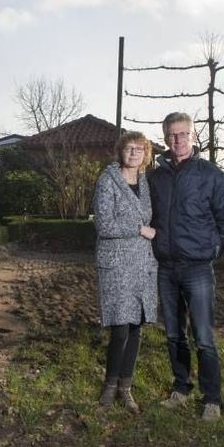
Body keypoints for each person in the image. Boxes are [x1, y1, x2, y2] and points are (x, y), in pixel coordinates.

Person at [148, 112, 224, 422]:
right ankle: (181, 388)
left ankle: (211, 398)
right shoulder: (155, 177)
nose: (178, 140)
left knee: (204, 337)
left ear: (194, 136)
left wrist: (212, 250)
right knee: (174, 334)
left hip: (198, 268)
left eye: (184, 134)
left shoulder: (211, 174)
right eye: (172, 134)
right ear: (165, 137)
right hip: (166, 268)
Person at [92, 132, 159, 412]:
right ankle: (110, 385)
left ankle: (126, 388)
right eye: (130, 148)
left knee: (136, 328)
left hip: (142, 262)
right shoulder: (108, 181)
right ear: (121, 151)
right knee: (120, 328)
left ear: (146, 154)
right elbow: (104, 226)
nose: (134, 153)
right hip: (117, 264)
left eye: (140, 149)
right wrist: (138, 229)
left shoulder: (145, 182)